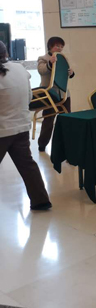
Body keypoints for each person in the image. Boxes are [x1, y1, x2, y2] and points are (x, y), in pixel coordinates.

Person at [0, 41, 52, 211]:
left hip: (2, 130)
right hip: (21, 126)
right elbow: (29, 97)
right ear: (6, 53)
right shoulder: (20, 68)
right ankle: (41, 201)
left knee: (27, 164)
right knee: (27, 165)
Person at [37, 36, 75, 152]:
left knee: (67, 118)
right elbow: (41, 70)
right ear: (50, 46)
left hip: (64, 93)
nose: (59, 48)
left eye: (61, 46)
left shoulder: (63, 58)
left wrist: (71, 73)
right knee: (48, 120)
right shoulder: (43, 58)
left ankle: (68, 144)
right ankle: (42, 144)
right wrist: (50, 62)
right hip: (50, 93)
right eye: (57, 46)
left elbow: (65, 74)